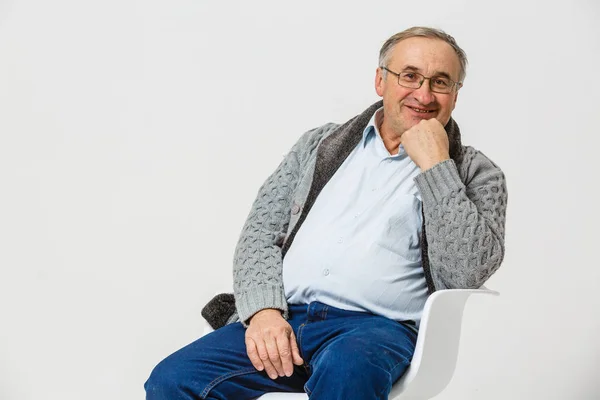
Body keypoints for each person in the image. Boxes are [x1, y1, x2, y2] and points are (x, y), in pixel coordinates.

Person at [145, 26, 508, 400]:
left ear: (455, 95)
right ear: (380, 80)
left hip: (376, 331)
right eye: (410, 76)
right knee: (173, 379)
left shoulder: (477, 173)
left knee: (348, 370)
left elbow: (467, 272)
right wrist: (264, 312)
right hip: (286, 316)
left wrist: (436, 165)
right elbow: (260, 232)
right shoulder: (318, 145)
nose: (424, 94)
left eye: (441, 82)